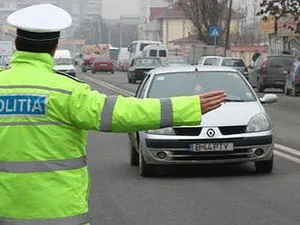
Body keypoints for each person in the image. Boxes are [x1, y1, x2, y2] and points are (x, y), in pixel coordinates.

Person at [0, 4, 226, 224]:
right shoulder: (68, 92)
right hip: (58, 214)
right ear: (54, 47)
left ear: (17, 43)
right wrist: (188, 107)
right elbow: (124, 113)